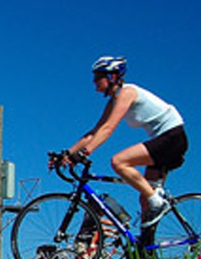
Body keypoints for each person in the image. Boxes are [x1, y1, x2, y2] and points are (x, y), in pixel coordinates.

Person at [67, 55, 188, 229]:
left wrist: (85, 152)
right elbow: (94, 132)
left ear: (112, 76)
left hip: (172, 138)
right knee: (145, 200)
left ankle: (158, 202)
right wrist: (68, 153)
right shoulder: (113, 102)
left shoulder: (127, 92)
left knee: (119, 161)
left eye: (97, 78)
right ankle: (146, 251)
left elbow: (108, 128)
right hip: (164, 140)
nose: (94, 83)